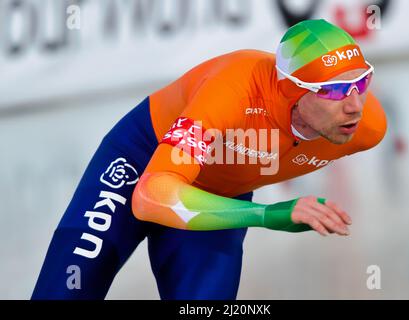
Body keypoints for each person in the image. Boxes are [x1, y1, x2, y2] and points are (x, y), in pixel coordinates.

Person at [32, 19, 387, 300]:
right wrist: (267, 215)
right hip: (144, 161)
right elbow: (151, 195)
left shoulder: (367, 128)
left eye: (362, 81)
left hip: (220, 192)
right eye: (336, 89)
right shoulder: (233, 92)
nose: (354, 104)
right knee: (67, 290)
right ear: (294, 90)